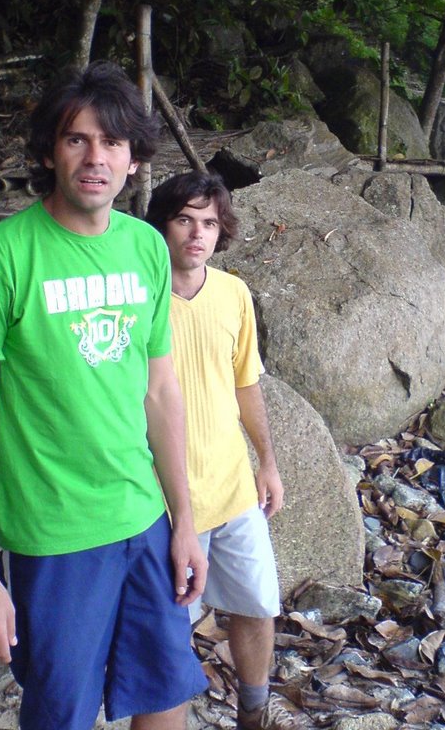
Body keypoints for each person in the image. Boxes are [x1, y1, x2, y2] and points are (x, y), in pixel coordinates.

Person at [0, 61, 209, 730]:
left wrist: (185, 522)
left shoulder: (146, 248)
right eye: (76, 139)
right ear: (49, 152)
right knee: (61, 714)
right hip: (54, 537)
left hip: (142, 519)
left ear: (135, 160)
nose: (95, 158)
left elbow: (161, 392)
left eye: (112, 143)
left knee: (165, 693)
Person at [147, 172, 301, 730]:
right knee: (169, 626)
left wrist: (268, 463)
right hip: (162, 498)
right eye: (184, 219)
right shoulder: (140, 295)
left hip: (233, 486)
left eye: (209, 223)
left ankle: (254, 712)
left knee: (258, 607)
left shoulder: (235, 294)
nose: (197, 233)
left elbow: (246, 384)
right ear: (161, 225)